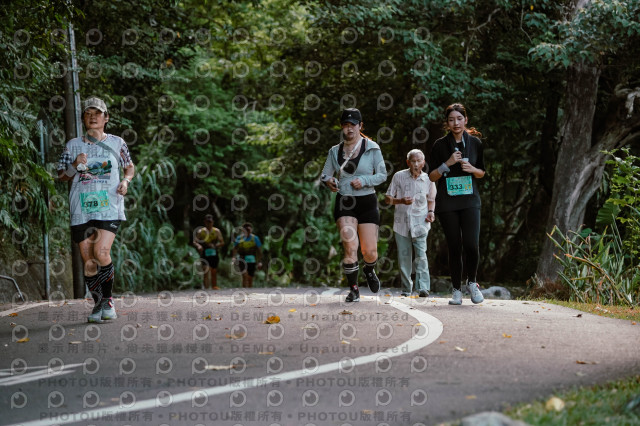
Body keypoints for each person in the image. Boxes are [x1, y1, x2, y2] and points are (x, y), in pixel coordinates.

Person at [57, 97, 135, 322]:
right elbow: (62, 176)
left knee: (101, 252)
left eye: (97, 113)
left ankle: (108, 301)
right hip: (81, 207)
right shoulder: (73, 145)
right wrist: (74, 165)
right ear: (83, 118)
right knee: (88, 260)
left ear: (106, 118)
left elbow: (129, 167)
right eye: (88, 113)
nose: (93, 117)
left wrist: (126, 181)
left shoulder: (117, 143)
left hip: (109, 206)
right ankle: (98, 303)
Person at [321, 108, 387, 302]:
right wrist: (329, 181)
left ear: (360, 126)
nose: (349, 129)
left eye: (353, 125)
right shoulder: (335, 151)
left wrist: (365, 180)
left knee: (369, 252)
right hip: (345, 201)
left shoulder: (372, 148)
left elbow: (382, 175)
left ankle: (369, 269)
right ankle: (354, 290)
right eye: (345, 125)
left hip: (367, 201)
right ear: (342, 127)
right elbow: (325, 174)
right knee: (350, 246)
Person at [428, 103, 485, 305]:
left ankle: (472, 283)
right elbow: (432, 176)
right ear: (447, 123)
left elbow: (482, 172)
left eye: (459, 119)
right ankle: (456, 290)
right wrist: (448, 164)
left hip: (470, 201)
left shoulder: (475, 143)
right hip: (447, 202)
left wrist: (472, 169)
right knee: (454, 246)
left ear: (465, 120)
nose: (456, 123)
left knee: (471, 244)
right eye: (451, 120)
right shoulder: (439, 145)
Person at [386, 149, 436, 298]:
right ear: (408, 162)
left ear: (423, 163)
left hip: (421, 223)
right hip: (401, 224)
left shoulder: (428, 179)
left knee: (421, 255)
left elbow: (431, 200)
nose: (416, 164)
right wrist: (400, 200)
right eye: (413, 161)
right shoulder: (398, 176)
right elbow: (388, 199)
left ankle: (423, 288)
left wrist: (431, 212)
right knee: (404, 258)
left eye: (419, 161)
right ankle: (406, 289)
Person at [193, 214, 225, 290]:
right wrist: (199, 246)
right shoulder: (201, 231)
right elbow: (195, 241)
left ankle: (214, 287)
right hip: (205, 253)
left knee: (214, 271)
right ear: (205, 222)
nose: (209, 224)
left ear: (213, 222)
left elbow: (222, 242)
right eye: (207, 222)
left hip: (214, 253)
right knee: (206, 270)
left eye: (210, 222)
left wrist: (216, 246)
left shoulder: (216, 231)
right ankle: (206, 288)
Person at [231, 223, 263, 288]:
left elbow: (259, 251)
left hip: (252, 260)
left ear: (251, 230)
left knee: (250, 277)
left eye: (249, 230)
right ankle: (244, 290)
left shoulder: (255, 238)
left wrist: (259, 262)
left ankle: (249, 290)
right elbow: (235, 248)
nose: (247, 231)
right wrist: (234, 257)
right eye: (246, 230)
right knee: (244, 275)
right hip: (242, 259)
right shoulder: (239, 238)